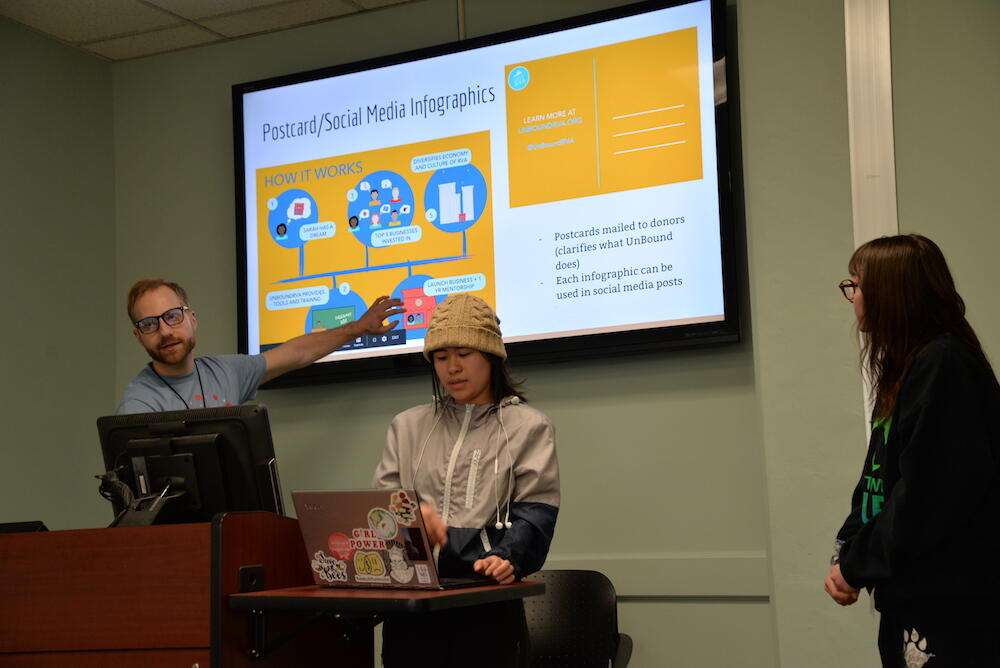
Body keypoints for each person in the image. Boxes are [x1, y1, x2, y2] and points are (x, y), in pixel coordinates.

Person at [824, 235, 1000, 667]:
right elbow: (880, 480)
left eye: (857, 285)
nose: (853, 297)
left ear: (890, 293)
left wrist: (856, 562)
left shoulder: (943, 363)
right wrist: (847, 552)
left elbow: (925, 495)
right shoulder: (907, 369)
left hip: (952, 610)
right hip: (915, 601)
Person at [372, 293, 559, 667]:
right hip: (413, 606)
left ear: (491, 356)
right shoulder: (406, 426)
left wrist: (509, 557)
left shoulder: (528, 427)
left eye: (464, 354)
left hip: (484, 603)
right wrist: (410, 518)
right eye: (441, 358)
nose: (452, 368)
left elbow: (536, 511)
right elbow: (382, 511)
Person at [117, 278, 403, 414]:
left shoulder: (226, 372)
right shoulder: (139, 404)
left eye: (172, 317)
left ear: (192, 319)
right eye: (150, 324)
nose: (165, 331)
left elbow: (298, 352)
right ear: (138, 336)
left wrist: (359, 327)